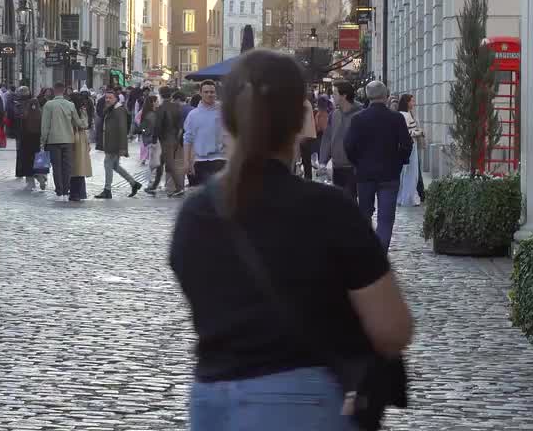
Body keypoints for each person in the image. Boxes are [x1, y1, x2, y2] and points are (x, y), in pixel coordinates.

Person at [169, 49, 413, 431]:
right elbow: (392, 327)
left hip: (212, 399)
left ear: (227, 119)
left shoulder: (196, 215)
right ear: (300, 119)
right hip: (301, 399)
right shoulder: (328, 210)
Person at [344, 81, 413, 251]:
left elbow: (349, 145)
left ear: (368, 96)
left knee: (365, 214)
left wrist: (357, 163)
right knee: (386, 219)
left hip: (365, 174)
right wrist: (399, 162)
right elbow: (406, 144)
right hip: (389, 174)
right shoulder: (396, 118)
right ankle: (380, 253)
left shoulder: (358, 119)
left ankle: (368, 251)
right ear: (385, 95)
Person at [318, 81, 361, 203]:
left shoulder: (360, 114)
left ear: (344, 95)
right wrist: (322, 161)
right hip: (337, 167)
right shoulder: (334, 114)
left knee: (350, 201)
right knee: (340, 202)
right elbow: (327, 137)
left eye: (335, 93)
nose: (333, 97)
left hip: (353, 167)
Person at [40, 82, 81, 198]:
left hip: (53, 140)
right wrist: (85, 120)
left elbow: (45, 125)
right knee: (67, 166)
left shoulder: (49, 105)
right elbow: (77, 122)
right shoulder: (70, 105)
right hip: (68, 139)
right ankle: (66, 190)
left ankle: (59, 190)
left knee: (56, 167)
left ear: (54, 90)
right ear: (63, 91)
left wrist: (42, 141)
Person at [98, 89, 142, 199]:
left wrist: (123, 147)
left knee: (108, 164)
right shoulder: (111, 109)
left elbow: (122, 129)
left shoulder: (119, 110)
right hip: (110, 142)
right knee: (115, 166)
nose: (107, 100)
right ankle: (134, 183)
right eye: (106, 98)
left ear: (116, 99)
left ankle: (107, 190)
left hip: (114, 143)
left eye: (110, 98)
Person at [184, 80, 227, 188]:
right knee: (201, 198)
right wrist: (186, 162)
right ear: (200, 93)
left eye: (212, 92)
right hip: (199, 161)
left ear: (216, 93)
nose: (209, 94)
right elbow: (188, 139)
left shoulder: (224, 112)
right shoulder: (193, 115)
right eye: (206, 92)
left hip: (220, 160)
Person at [148, 89, 188, 198]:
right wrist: (177, 138)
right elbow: (180, 125)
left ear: (160, 96)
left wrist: (154, 139)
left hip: (165, 139)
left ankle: (180, 188)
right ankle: (154, 185)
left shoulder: (161, 108)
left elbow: (158, 125)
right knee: (160, 162)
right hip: (174, 138)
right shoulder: (177, 107)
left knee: (170, 164)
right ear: (170, 95)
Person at [9, 86, 47, 192]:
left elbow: (19, 117)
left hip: (25, 135)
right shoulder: (35, 102)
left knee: (26, 158)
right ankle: (41, 177)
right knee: (38, 156)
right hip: (36, 134)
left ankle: (31, 182)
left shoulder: (20, 103)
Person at [396, 94, 423, 207]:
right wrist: (420, 133)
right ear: (407, 102)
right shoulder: (406, 115)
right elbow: (409, 132)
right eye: (412, 101)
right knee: (412, 172)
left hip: (407, 146)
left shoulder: (401, 114)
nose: (414, 103)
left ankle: (405, 197)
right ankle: (409, 198)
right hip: (411, 146)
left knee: (405, 173)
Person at [69, 91, 94, 202]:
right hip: (78, 138)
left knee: (77, 166)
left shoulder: (77, 110)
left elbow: (84, 124)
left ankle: (77, 192)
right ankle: (77, 192)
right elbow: (84, 124)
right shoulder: (77, 111)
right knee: (78, 166)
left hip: (76, 137)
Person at [298, 92, 318, 180]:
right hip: (307, 135)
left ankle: (307, 179)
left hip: (304, 136)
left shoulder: (304, 104)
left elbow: (303, 122)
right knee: (306, 160)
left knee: (306, 160)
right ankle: (307, 178)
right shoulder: (306, 103)